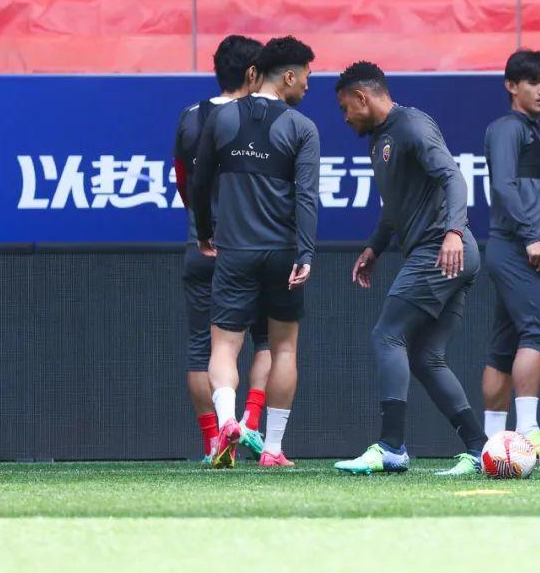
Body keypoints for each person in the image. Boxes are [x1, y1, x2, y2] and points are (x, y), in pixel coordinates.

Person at [333, 61, 488, 477]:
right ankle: (481, 450)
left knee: (387, 335)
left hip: (442, 249)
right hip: (450, 252)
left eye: (346, 108)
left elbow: (454, 178)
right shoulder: (379, 140)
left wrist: (452, 231)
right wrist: (375, 247)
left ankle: (391, 447)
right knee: (426, 357)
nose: (345, 117)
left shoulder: (413, 127)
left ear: (362, 97)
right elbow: (395, 207)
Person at [191, 35, 320, 469]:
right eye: (306, 77)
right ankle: (273, 448)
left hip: (234, 250)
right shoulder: (302, 128)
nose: (308, 86)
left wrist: (205, 233)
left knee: (224, 348)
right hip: (283, 252)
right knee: (283, 350)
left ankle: (228, 421)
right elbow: (307, 197)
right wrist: (306, 252)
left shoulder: (221, 118)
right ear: (289, 77)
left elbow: (200, 184)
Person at [172, 35, 272, 464]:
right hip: (251, 247)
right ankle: (249, 423)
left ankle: (214, 441)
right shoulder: (261, 118)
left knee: (202, 349)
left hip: (201, 246)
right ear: (252, 73)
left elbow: (184, 183)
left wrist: (202, 226)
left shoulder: (190, 117)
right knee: (267, 341)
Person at [480, 50, 540, 451]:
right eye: (533, 82)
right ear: (511, 86)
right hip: (514, 249)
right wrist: (532, 238)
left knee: (503, 348)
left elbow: (529, 198)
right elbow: (503, 187)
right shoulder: (507, 129)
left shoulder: (529, 130)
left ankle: (492, 442)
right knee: (538, 330)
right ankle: (528, 430)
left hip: (522, 246)